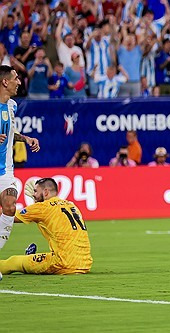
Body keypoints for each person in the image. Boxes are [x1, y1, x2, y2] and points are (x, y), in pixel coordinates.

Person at [0, 178, 92, 275]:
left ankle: (28, 260)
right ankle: (30, 258)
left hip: (63, 263)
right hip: (85, 264)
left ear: (46, 192)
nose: (33, 194)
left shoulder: (43, 208)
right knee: (49, 255)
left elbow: (9, 214)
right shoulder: (71, 205)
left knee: (13, 262)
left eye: (35, 191)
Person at [0, 65, 41, 251]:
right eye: (15, 78)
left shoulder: (12, 105)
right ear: (4, 81)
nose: (19, 82)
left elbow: (9, 133)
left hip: (6, 171)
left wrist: (25, 138)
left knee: (10, 208)